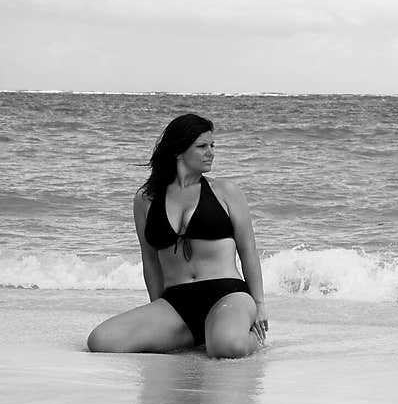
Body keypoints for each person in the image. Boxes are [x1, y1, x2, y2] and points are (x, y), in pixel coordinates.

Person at [88, 113, 268, 358]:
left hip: (228, 295)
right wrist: (157, 307)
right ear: (178, 150)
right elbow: (150, 259)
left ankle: (249, 340)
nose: (211, 152)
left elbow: (248, 251)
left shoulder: (225, 191)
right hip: (177, 301)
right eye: (202, 146)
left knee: (227, 348)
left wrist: (259, 305)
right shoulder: (146, 199)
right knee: (102, 341)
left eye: (213, 146)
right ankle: (198, 334)